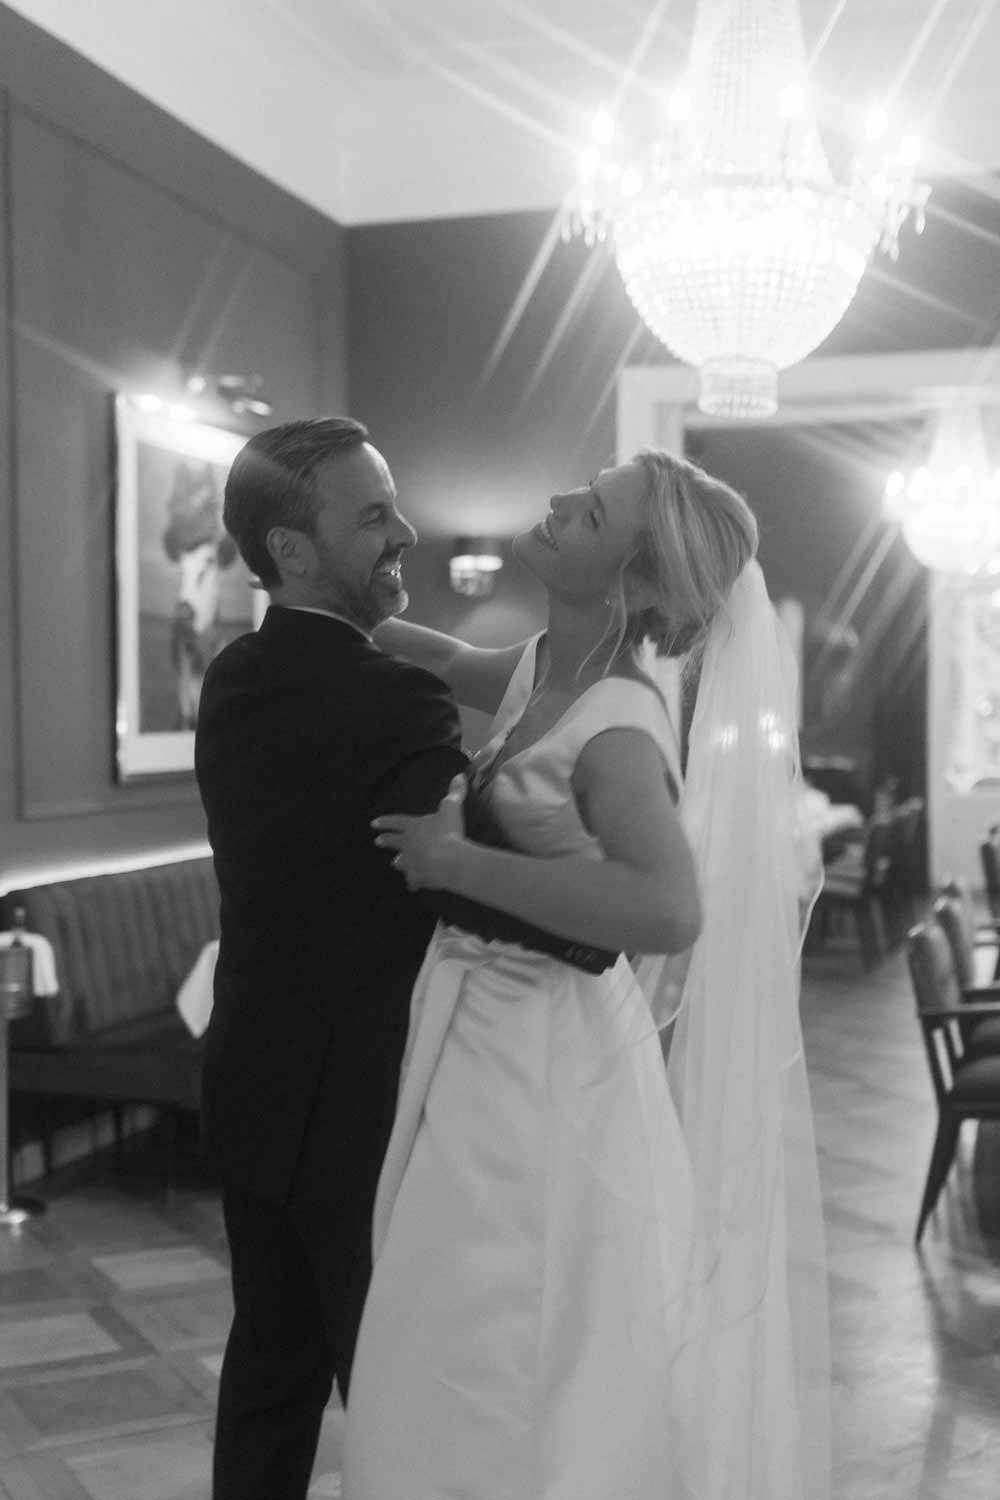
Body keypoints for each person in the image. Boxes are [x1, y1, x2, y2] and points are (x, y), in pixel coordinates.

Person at [343, 449, 830, 1500]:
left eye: (593, 510)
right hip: (485, 1044)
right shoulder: (537, 670)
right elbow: (416, 650)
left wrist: (454, 862)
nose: (561, 501)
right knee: (447, 1328)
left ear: (636, 581)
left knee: (500, 1333)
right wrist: (347, 588)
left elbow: (667, 909)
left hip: (542, 1071)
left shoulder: (618, 723)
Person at [196, 417, 613, 1500]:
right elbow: (454, 867)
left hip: (252, 1075)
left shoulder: (233, 675)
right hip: (370, 1105)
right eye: (374, 515)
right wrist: (596, 925)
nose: (407, 533)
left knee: (269, 1373)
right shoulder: (387, 698)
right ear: (292, 549)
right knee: (397, 1394)